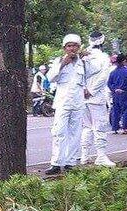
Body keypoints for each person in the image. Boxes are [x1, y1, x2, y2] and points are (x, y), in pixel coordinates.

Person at [44, 34, 86, 175]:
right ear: (64, 48)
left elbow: (97, 72)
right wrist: (63, 63)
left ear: (79, 47)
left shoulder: (84, 62)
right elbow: (50, 78)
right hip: (63, 102)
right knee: (59, 132)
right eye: (69, 46)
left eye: (75, 45)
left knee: (75, 133)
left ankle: (70, 162)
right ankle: (56, 163)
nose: (72, 48)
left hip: (78, 102)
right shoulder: (58, 61)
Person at [80, 31, 115, 167]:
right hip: (96, 96)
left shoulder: (82, 56)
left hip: (83, 97)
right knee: (99, 127)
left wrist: (84, 89)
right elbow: (103, 77)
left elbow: (79, 75)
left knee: (87, 127)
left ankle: (84, 156)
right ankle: (100, 156)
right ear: (103, 42)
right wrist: (91, 91)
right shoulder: (103, 57)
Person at [108, 53, 127, 134]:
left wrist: (114, 89)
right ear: (123, 61)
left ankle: (114, 128)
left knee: (116, 110)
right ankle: (124, 128)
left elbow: (109, 83)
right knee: (126, 111)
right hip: (125, 93)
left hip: (116, 94)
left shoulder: (113, 72)